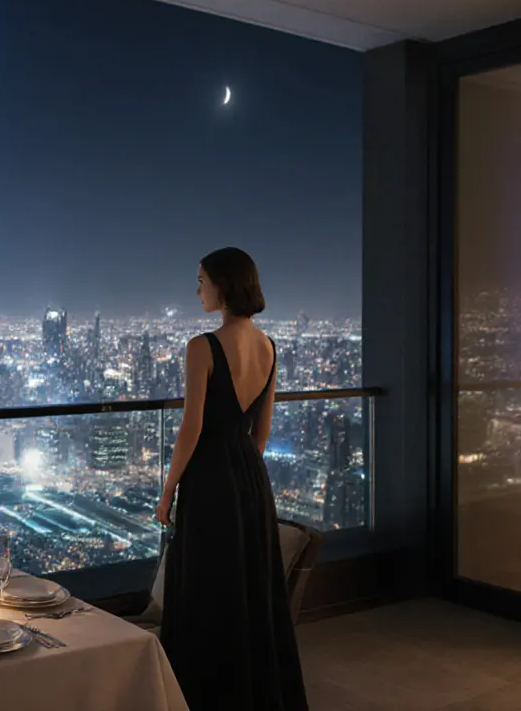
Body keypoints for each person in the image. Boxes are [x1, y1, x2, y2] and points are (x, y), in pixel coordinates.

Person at [155, 247, 308, 710]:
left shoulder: (202, 346)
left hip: (207, 480)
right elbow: (261, 431)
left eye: (201, 280)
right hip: (249, 479)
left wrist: (167, 494)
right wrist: (242, 474)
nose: (197, 289)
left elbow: (191, 428)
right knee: (248, 588)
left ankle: (196, 696)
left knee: (205, 589)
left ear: (222, 286)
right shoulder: (269, 347)